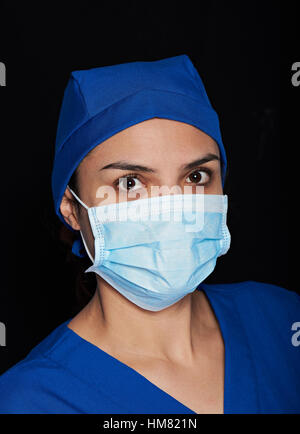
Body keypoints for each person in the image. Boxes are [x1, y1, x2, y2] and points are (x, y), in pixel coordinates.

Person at [0, 54, 299, 414]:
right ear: (72, 208)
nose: (173, 208)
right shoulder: (30, 399)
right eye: (131, 183)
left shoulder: (280, 319)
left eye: (195, 177)